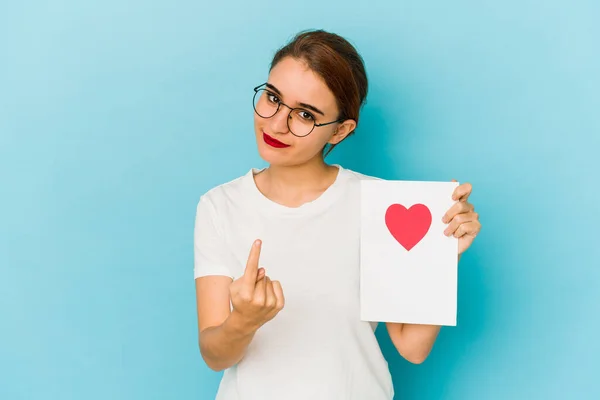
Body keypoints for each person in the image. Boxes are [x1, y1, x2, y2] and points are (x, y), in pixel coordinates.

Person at [193, 29, 482, 400]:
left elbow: (412, 347)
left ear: (340, 131)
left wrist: (443, 255)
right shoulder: (219, 206)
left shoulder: (381, 205)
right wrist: (243, 321)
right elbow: (215, 354)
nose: (277, 123)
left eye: (304, 114)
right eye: (272, 98)